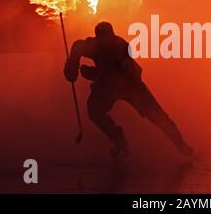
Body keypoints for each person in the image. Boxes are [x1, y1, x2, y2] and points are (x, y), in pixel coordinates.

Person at [64, 22, 193, 158]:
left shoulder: (120, 47)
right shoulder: (96, 46)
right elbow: (78, 47)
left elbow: (117, 75)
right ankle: (118, 140)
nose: (105, 42)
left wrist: (91, 73)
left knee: (158, 116)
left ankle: (182, 147)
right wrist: (72, 67)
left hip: (131, 85)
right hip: (109, 86)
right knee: (94, 110)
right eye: (102, 39)